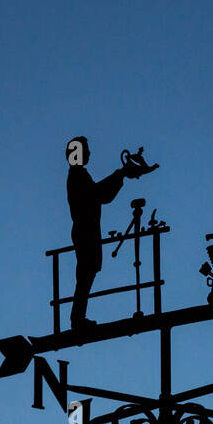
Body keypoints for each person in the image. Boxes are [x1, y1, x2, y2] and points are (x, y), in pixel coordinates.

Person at [65, 136, 139, 330]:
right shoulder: (77, 176)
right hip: (85, 232)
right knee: (85, 274)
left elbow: (99, 194)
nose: (89, 153)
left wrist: (119, 175)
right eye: (86, 150)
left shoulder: (79, 175)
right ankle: (77, 319)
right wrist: (120, 174)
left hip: (87, 231)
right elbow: (98, 195)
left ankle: (78, 317)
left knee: (87, 274)